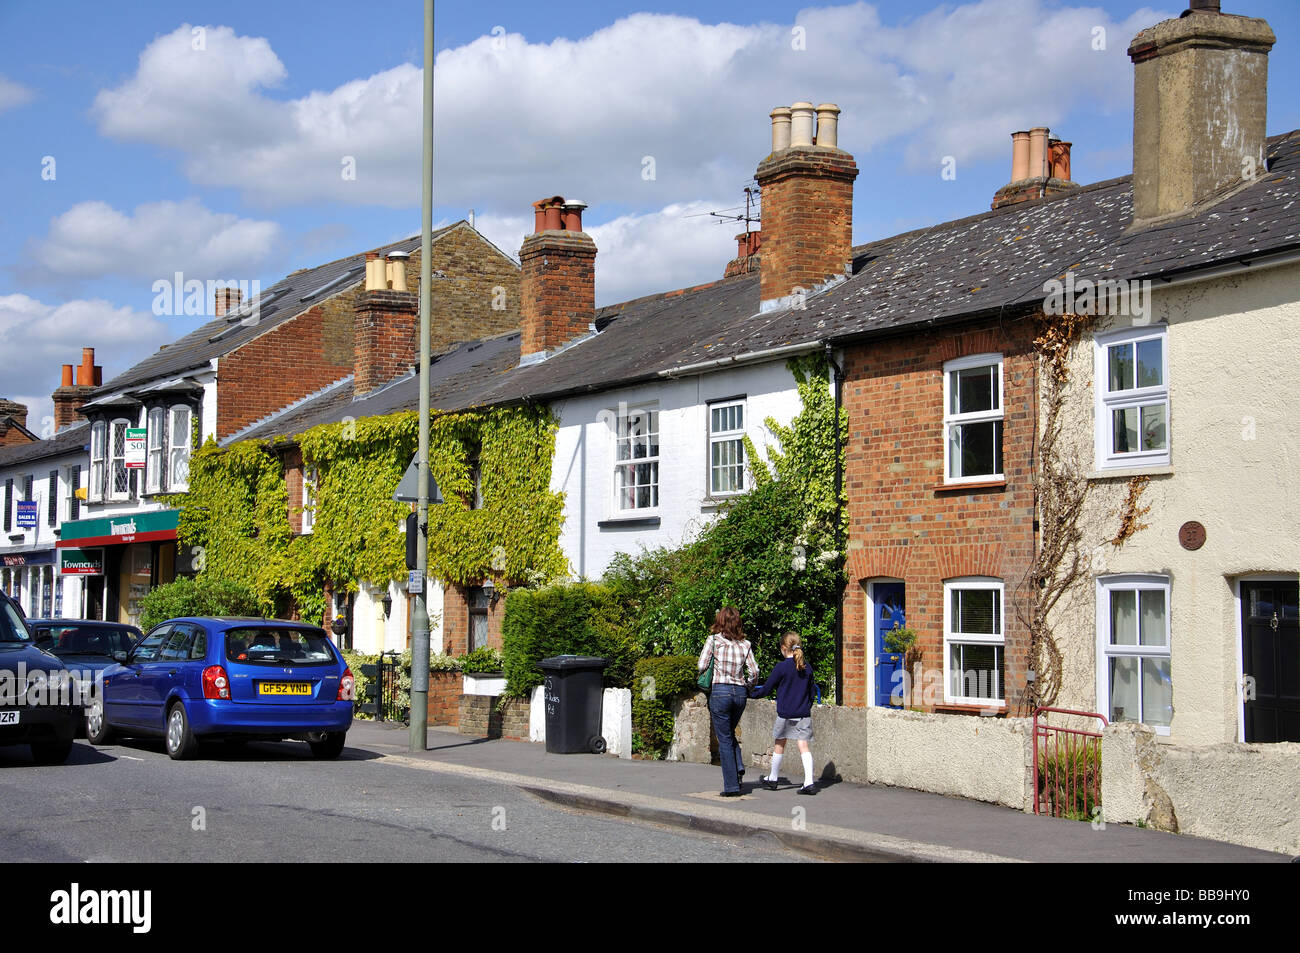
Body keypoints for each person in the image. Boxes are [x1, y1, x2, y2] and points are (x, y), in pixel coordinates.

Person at [697, 606, 758, 797]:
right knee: (729, 733)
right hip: (740, 693)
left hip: (720, 691)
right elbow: (754, 672)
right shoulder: (745, 644)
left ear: (720, 621)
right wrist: (748, 685)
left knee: (723, 739)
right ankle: (738, 765)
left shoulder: (714, 641)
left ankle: (731, 786)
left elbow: (701, 665)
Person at [750, 631, 818, 795]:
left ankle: (773, 778)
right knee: (803, 745)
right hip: (802, 713)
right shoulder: (806, 667)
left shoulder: (781, 667)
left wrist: (750, 694)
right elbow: (812, 692)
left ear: (783, 648)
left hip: (785, 713)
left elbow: (766, 689)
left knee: (779, 744)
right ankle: (809, 781)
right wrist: (806, 706)